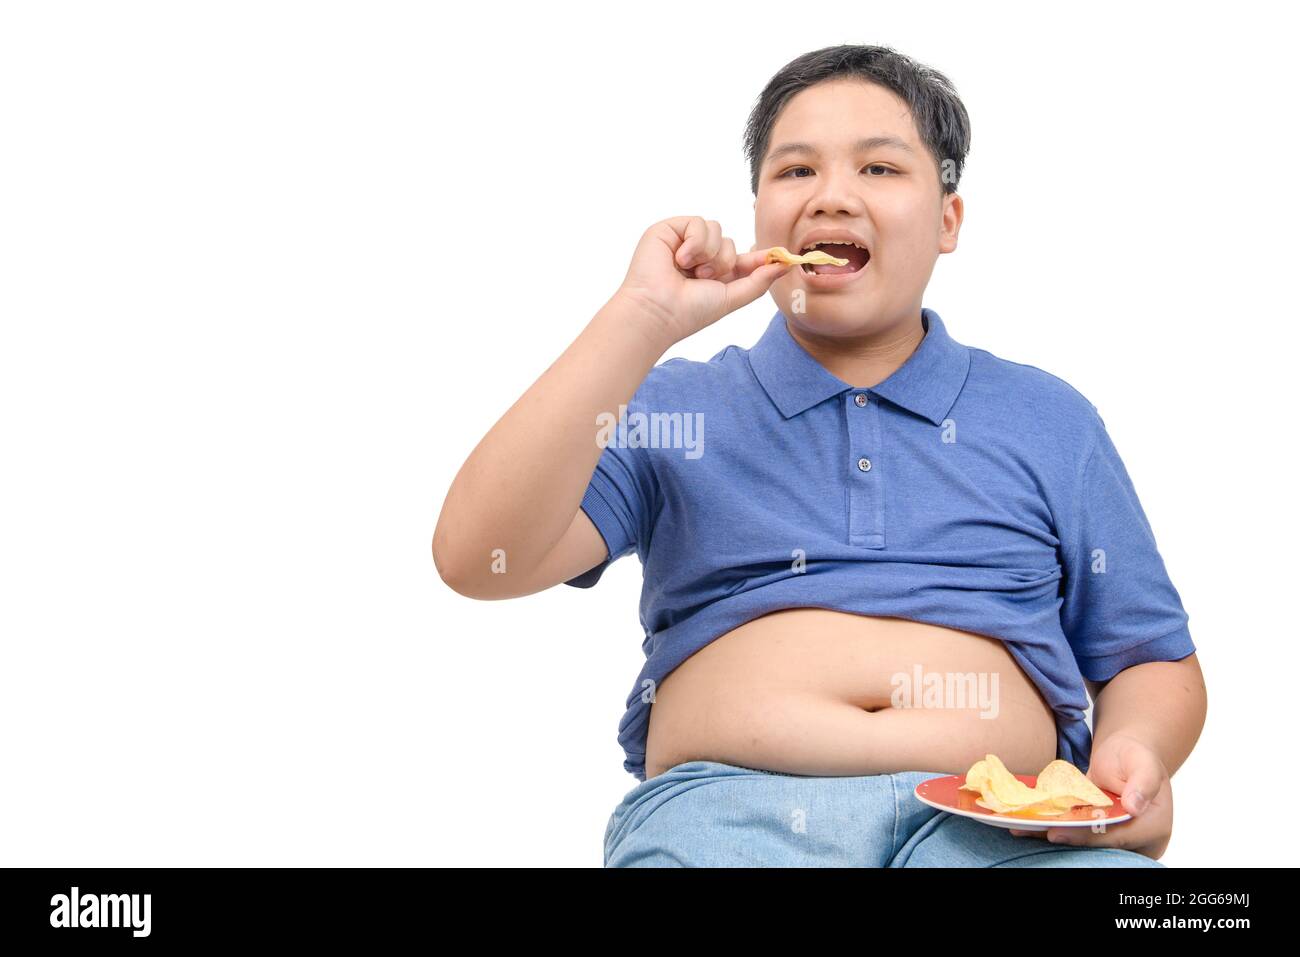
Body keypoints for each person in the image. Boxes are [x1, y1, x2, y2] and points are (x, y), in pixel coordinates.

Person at [432, 44, 1206, 867]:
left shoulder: (1050, 419)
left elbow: (1151, 659)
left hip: (1008, 820)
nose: (832, 195)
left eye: (879, 168)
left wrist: (1138, 748)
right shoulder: (668, 406)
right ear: (760, 211)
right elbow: (478, 558)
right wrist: (642, 316)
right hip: (723, 818)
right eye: (795, 171)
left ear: (948, 220)